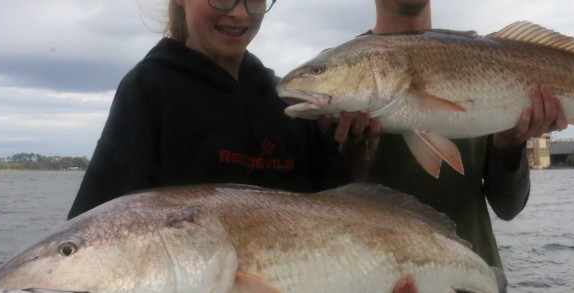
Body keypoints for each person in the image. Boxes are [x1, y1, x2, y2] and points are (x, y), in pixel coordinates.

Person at [324, 0, 568, 291]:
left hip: (474, 281)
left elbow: (508, 208)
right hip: (373, 280)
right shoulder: (332, 78)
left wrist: (510, 145)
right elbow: (313, 213)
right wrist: (354, 156)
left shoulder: (482, 57)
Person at [67, 0, 357, 219]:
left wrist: (355, 147)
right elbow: (98, 228)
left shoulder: (289, 101)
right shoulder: (150, 89)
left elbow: (342, 211)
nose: (239, 13)